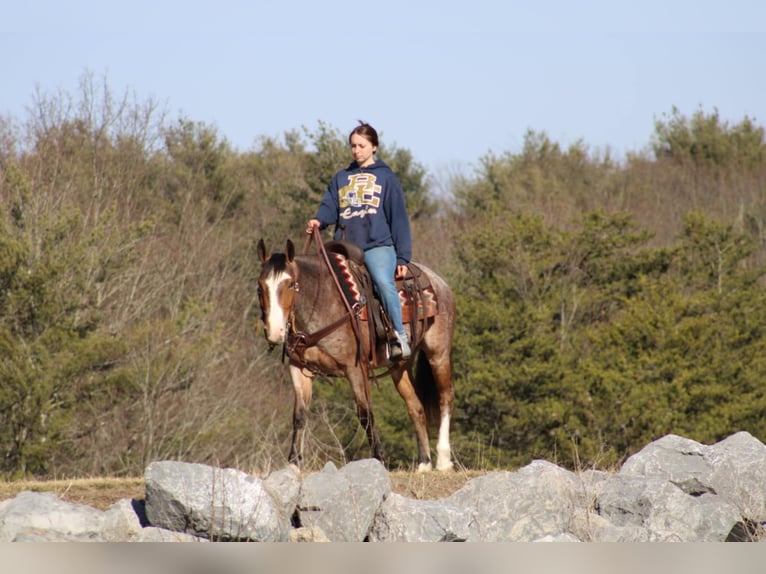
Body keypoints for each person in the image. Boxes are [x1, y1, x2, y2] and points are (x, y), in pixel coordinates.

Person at [307, 121, 412, 359]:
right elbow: (330, 205)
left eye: (361, 145)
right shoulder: (341, 178)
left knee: (383, 284)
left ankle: (399, 336)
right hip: (344, 245)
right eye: (353, 146)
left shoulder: (386, 178)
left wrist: (403, 256)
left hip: (376, 245)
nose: (356, 150)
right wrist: (318, 221)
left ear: (374, 146)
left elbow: (399, 218)